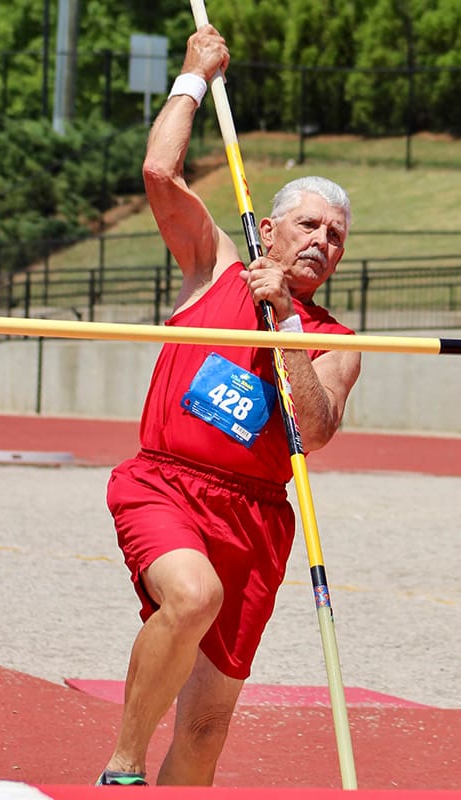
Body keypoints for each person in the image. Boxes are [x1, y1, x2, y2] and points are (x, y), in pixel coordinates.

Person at [96, 24, 361, 787]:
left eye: (337, 237)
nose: (323, 242)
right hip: (165, 484)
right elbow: (157, 169)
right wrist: (193, 76)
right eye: (309, 225)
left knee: (208, 728)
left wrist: (285, 325)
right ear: (269, 228)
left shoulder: (336, 338)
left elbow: (315, 430)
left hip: (256, 514)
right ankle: (121, 765)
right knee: (191, 595)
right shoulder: (212, 261)